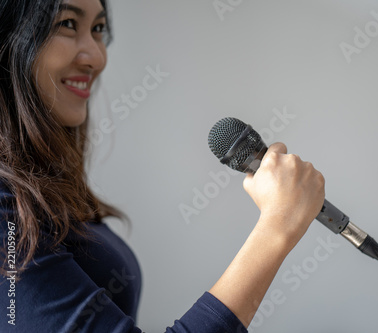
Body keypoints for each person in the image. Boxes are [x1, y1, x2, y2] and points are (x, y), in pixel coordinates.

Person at [0, 0, 325, 332]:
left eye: (98, 29)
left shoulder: (39, 189)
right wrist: (276, 227)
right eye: (67, 24)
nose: (97, 57)